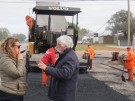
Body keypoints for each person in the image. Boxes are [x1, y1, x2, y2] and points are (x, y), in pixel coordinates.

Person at [37, 35, 79, 101]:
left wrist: (47, 68)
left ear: (65, 45)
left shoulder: (70, 57)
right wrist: (46, 67)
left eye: (59, 44)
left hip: (64, 95)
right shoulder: (65, 55)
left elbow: (65, 73)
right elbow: (57, 67)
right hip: (61, 94)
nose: (57, 46)